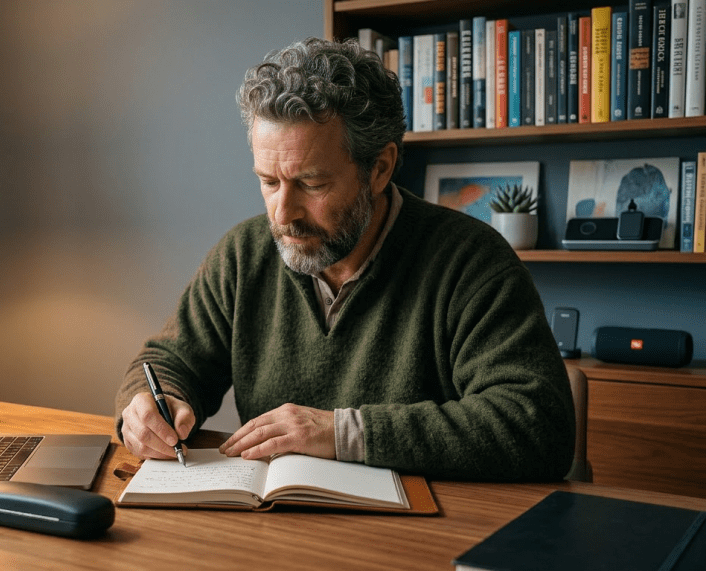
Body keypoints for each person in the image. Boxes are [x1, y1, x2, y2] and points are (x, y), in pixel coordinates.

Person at [115, 37, 575, 481]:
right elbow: (166, 362)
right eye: (269, 181)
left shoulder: (470, 261)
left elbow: (535, 425)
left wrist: (344, 433)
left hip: (421, 538)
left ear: (380, 168)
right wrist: (150, 403)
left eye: (311, 185)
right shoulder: (244, 255)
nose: (282, 214)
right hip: (274, 531)